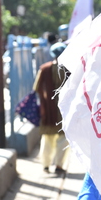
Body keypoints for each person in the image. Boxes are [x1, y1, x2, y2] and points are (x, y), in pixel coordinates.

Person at [34, 42, 69, 174]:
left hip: (48, 109)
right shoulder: (68, 70)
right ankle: (59, 165)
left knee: (47, 138)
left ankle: (46, 165)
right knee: (63, 138)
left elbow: (37, 88)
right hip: (64, 110)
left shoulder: (44, 69)